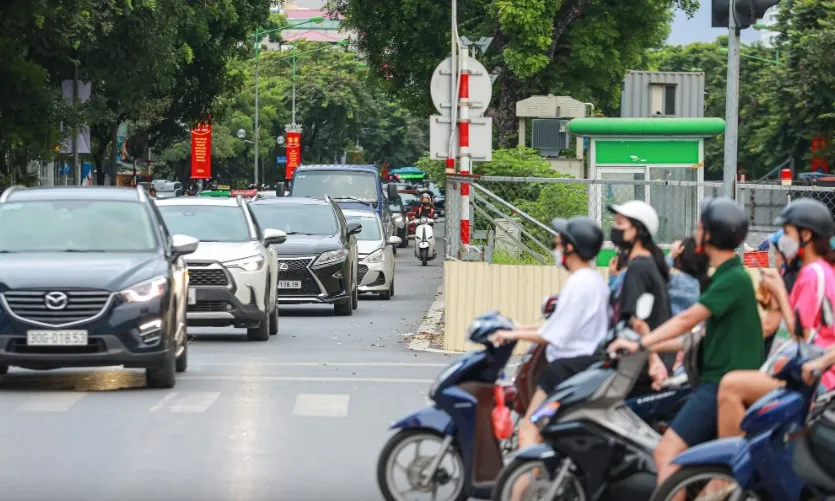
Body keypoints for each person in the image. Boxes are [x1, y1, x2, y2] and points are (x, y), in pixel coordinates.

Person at [608, 196, 763, 488]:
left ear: (711, 234)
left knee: (667, 454)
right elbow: (694, 339)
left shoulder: (733, 279)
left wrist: (641, 345)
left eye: (700, 228)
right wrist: (650, 347)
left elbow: (686, 320)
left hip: (717, 386)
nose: (695, 234)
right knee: (699, 467)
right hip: (713, 383)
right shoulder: (726, 278)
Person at [490, 216, 608, 497]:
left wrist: (510, 335)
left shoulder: (580, 284)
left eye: (559, 241)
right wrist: (517, 326)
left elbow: (554, 335)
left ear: (571, 248)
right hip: (579, 367)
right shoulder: (591, 280)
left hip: (565, 370)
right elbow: (555, 325)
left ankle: (519, 495)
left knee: (528, 430)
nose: (555, 245)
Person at [716, 198, 835, 443]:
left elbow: (802, 335)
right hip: (811, 371)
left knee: (730, 386)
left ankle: (728, 472)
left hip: (814, 378)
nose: (784, 240)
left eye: (788, 232)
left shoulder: (812, 274)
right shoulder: (820, 270)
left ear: (806, 235)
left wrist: (780, 292)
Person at [608, 200, 674, 395]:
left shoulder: (638, 267)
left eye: (620, 223)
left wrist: (654, 361)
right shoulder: (646, 264)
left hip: (640, 365)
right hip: (643, 361)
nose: (614, 228)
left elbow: (638, 321)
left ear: (638, 231)